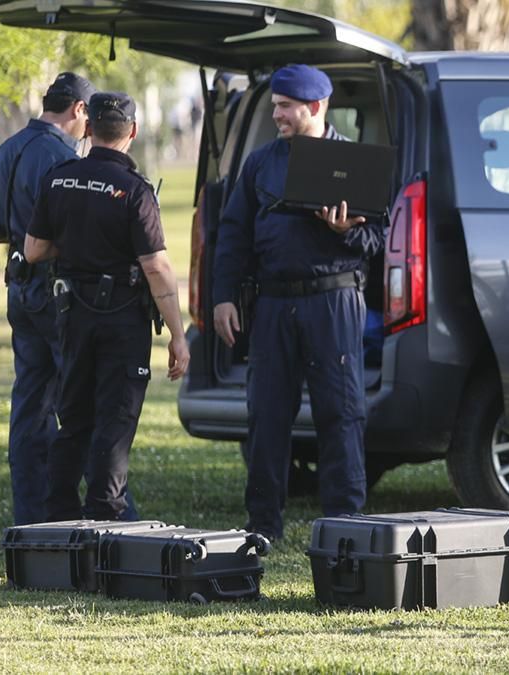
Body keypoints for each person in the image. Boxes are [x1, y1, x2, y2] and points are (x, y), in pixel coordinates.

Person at [211, 64, 384, 543]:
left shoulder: (354, 163)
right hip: (272, 306)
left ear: (315, 107)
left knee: (341, 413)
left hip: (333, 302)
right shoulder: (261, 163)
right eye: (274, 106)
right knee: (266, 416)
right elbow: (232, 234)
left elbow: (377, 240)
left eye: (285, 107)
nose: (277, 115)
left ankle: (345, 528)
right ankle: (262, 526)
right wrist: (224, 297)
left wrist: (343, 231)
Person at [24, 92, 190, 521]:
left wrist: (78, 244)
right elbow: (155, 266)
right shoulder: (135, 191)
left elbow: (34, 249)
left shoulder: (58, 178)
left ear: (90, 128)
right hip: (121, 318)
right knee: (116, 419)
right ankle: (105, 514)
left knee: (74, 417)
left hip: (72, 315)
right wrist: (178, 335)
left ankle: (58, 515)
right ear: (132, 132)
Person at [0, 72, 135, 524]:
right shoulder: (66, 158)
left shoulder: (5, 151)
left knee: (30, 407)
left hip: (19, 287)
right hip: (60, 292)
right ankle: (110, 512)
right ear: (79, 111)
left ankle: (32, 516)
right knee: (83, 403)